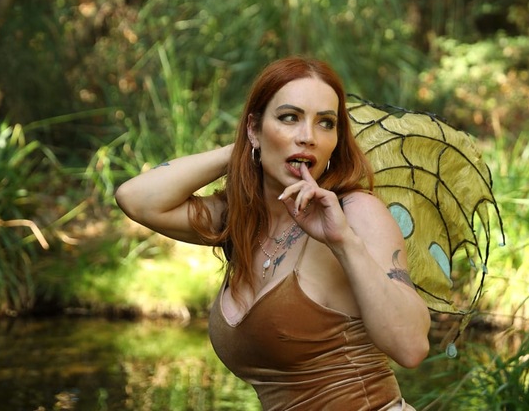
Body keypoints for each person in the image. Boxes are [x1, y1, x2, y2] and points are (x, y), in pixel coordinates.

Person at [115, 56, 430, 410]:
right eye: (289, 118)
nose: (307, 137)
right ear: (254, 127)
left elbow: (412, 347)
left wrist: (343, 242)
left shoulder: (354, 212)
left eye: (325, 123)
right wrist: (241, 148)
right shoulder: (240, 221)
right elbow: (136, 198)